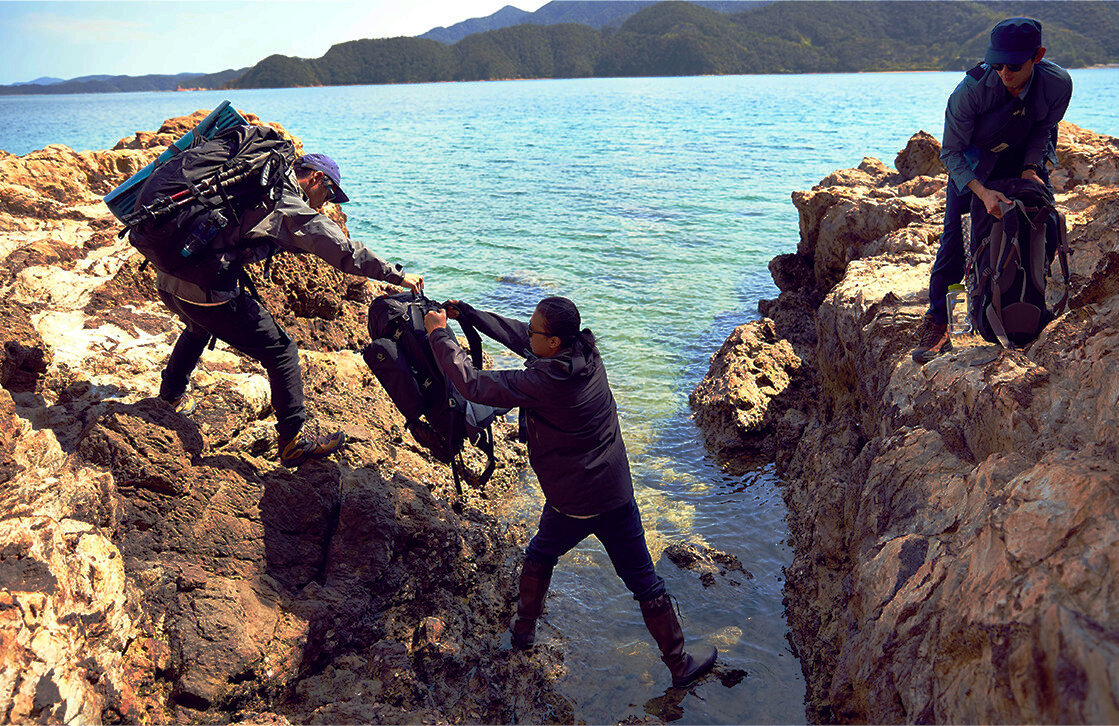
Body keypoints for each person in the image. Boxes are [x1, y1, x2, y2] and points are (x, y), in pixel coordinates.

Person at [423, 296, 717, 688]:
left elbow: (473, 384)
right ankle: (679, 664)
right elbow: (522, 339)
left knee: (541, 553)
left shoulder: (544, 383)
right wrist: (472, 315)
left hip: (572, 502)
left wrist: (439, 334)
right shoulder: (587, 354)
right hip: (615, 494)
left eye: (535, 330)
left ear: (555, 343)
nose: (527, 333)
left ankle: (523, 634)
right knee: (643, 580)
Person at [156, 152, 424, 467]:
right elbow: (345, 252)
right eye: (330, 193)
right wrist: (398, 275)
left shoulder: (257, 186)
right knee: (282, 352)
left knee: (199, 327)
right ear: (316, 178)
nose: (326, 203)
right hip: (203, 290)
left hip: (169, 278)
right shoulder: (286, 202)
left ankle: (171, 395)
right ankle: (292, 441)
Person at [913, 17, 1072, 363]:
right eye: (995, 64)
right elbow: (950, 153)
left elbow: (1045, 127)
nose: (1003, 73)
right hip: (973, 166)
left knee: (1039, 231)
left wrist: (1032, 169)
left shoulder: (1057, 85)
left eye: (1013, 66)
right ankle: (938, 322)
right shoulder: (970, 92)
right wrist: (982, 193)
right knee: (956, 241)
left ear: (1038, 55)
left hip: (1022, 160)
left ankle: (1029, 306)